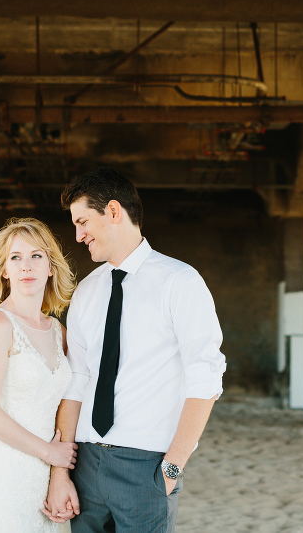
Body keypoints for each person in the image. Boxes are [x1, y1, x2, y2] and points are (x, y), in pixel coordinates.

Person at [43, 168, 226, 532]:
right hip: (86, 462)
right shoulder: (86, 293)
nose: (78, 236)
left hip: (147, 469)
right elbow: (77, 381)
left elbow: (205, 379)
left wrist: (171, 469)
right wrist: (60, 472)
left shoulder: (180, 282)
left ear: (113, 211)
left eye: (82, 222)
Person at [0, 217, 78, 533]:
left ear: (51, 266)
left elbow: (67, 400)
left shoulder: (58, 331)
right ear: (5, 270)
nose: (27, 267)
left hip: (45, 480)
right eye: (16, 258)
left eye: (36, 256)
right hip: (2, 476)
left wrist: (58, 473)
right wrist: (51, 453)